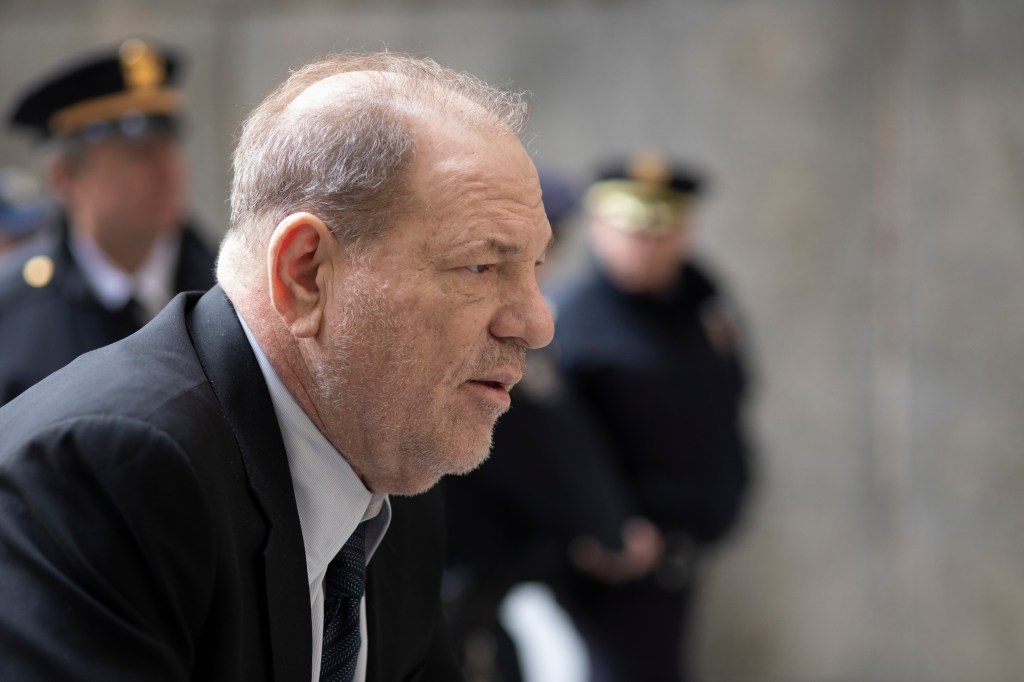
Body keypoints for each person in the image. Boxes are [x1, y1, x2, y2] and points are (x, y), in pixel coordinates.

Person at [0, 50, 554, 681]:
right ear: (305, 273)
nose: (537, 323)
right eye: (480, 266)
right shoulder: (103, 470)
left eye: (535, 268)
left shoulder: (391, 458)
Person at [442, 168, 664, 682]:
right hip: (455, 570)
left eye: (548, 254)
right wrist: (609, 532)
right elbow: (543, 443)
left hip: (490, 576)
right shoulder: (489, 334)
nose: (541, 273)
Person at [551, 151, 755, 682]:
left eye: (663, 229)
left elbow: (732, 400)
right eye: (631, 228)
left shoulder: (705, 306)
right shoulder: (574, 322)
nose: (647, 243)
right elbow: (556, 446)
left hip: (683, 560)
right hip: (611, 570)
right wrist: (605, 527)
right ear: (599, 226)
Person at [0, 38, 216, 405]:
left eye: (169, 145)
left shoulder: (229, 291)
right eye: (139, 153)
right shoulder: (14, 313)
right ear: (64, 177)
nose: (167, 169)